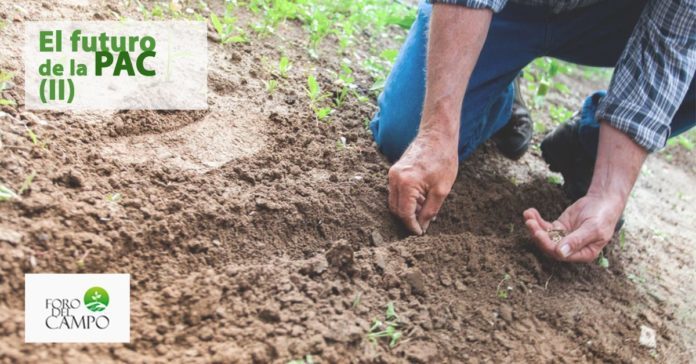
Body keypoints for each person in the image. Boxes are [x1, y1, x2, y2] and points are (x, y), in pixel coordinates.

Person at [369, 0, 695, 263]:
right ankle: (498, 97)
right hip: (508, 10)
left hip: (613, 17)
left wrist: (609, 192)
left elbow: (671, 44)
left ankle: (590, 146)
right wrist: (436, 133)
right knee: (406, 134)